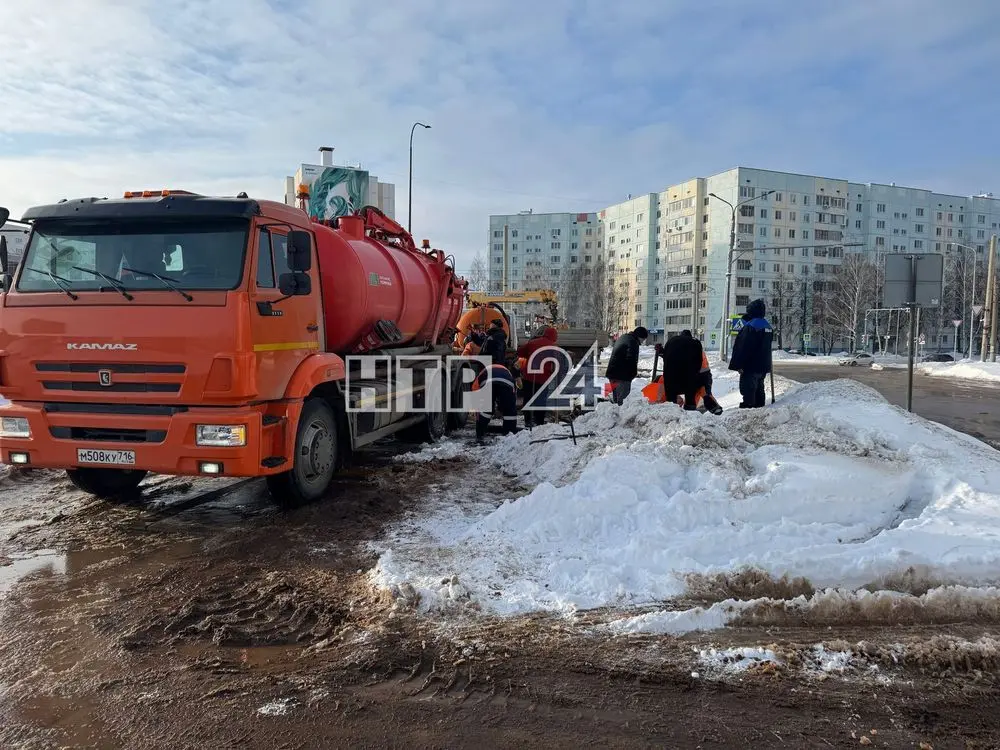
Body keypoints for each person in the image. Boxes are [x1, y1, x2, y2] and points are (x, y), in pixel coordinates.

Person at [729, 299, 774, 409]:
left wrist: (737, 365)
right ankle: (760, 408)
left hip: (751, 365)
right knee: (759, 387)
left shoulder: (751, 326)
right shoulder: (767, 326)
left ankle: (749, 408)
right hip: (763, 365)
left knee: (748, 388)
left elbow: (743, 347)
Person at [516, 326, 558, 427]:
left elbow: (520, 352)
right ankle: (539, 421)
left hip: (529, 377)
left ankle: (528, 420)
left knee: (528, 398)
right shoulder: (553, 347)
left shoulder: (532, 343)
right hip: (543, 378)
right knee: (541, 399)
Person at [659, 330, 704, 411]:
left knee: (671, 393)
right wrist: (696, 373)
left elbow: (666, 357)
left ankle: (670, 411)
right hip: (689, 373)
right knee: (690, 394)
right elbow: (699, 361)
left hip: (671, 372)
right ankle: (690, 411)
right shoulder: (695, 341)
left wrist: (661, 352)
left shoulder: (672, 340)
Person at [472, 363, 518, 443]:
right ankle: (510, 435)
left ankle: (480, 434)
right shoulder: (507, 372)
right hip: (507, 384)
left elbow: (475, 390)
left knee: (485, 410)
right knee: (510, 410)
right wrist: (502, 407)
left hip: (487, 383)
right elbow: (513, 392)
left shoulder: (482, 373)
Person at [605, 326, 648, 404]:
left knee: (616, 402)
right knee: (622, 402)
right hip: (622, 377)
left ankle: (614, 415)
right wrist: (633, 374)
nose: (642, 342)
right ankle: (620, 415)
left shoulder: (623, 337)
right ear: (640, 336)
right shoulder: (633, 342)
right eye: (643, 339)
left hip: (612, 373)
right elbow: (631, 360)